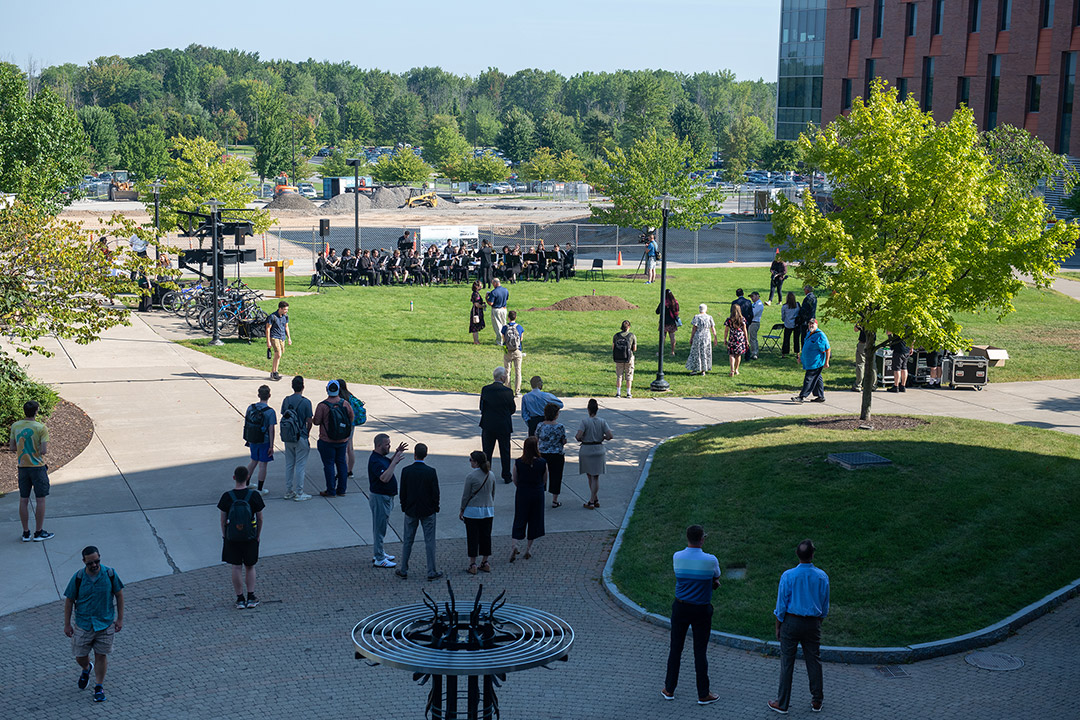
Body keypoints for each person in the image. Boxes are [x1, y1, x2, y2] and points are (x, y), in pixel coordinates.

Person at [660, 524, 721, 706]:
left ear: (687, 538)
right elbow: (716, 576)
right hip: (701, 610)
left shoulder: (677, 556)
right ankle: (703, 693)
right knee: (700, 652)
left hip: (680, 608)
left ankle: (669, 689)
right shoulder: (711, 560)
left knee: (675, 649)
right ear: (702, 539)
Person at [768, 539, 830, 715]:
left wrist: (778, 626)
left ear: (797, 554)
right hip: (813, 623)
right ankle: (817, 700)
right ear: (812, 554)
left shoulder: (788, 576)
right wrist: (818, 622)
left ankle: (782, 702)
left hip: (791, 622)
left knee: (787, 662)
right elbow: (824, 605)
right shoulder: (822, 576)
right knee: (814, 661)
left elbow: (781, 605)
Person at [63, 545, 125, 703]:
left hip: (105, 624)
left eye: (96, 561)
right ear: (84, 561)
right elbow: (69, 600)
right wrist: (67, 624)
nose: (94, 565)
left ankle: (99, 686)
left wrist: (119, 619)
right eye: (90, 563)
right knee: (80, 656)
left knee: (101, 655)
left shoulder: (110, 574)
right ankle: (86, 668)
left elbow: (119, 595)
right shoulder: (78, 577)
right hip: (84, 624)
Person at [218, 466, 264, 609]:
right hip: (250, 536)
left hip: (232, 538)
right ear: (247, 478)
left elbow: (222, 519)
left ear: (234, 478)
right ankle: (251, 597)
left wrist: (225, 536)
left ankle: (239, 599)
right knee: (250, 566)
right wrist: (257, 535)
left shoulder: (227, 496)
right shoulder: (254, 496)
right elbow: (260, 518)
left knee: (236, 567)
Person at [396, 443, 443, 581]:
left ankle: (403, 569)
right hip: (428, 511)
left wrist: (404, 506)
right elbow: (435, 492)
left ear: (414, 454)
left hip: (411, 510)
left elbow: (403, 492)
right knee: (430, 542)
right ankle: (431, 571)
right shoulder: (431, 471)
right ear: (426, 455)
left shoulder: (406, 471)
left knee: (408, 541)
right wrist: (436, 507)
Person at [11, 400, 54, 542]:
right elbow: (44, 450)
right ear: (36, 411)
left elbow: (12, 447)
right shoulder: (41, 428)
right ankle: (38, 532)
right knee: (40, 500)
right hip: (38, 468)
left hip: (22, 467)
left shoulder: (16, 426)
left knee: (23, 499)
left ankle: (25, 532)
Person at [368, 433, 408, 568]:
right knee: (380, 528)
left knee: (382, 526)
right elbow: (384, 478)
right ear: (379, 445)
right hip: (380, 498)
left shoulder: (381, 458)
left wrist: (396, 454)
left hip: (385, 497)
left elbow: (387, 465)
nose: (389, 446)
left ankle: (379, 552)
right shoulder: (375, 461)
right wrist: (395, 463)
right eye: (387, 444)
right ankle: (379, 558)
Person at [509, 436, 548, 562]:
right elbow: (545, 479)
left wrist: (521, 487)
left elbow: (515, 479)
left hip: (522, 492)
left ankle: (515, 545)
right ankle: (528, 549)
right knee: (534, 520)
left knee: (519, 518)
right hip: (537, 492)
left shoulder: (519, 462)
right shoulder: (542, 462)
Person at [312, 380, 354, 497]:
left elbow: (316, 422)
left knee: (329, 465)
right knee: (341, 464)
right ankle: (342, 489)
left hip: (327, 440)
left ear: (327, 389)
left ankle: (331, 490)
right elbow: (351, 417)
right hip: (342, 440)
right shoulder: (345, 403)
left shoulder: (322, 405)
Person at [461, 450, 496, 575]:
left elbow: (466, 496)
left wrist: (462, 509)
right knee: (486, 536)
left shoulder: (471, 477)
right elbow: (493, 493)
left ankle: (473, 564)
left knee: (473, 537)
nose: (470, 462)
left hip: (472, 512)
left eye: (470, 459)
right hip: (488, 510)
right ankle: (485, 562)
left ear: (475, 462)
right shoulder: (491, 475)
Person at [479, 366, 516, 484]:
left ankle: (485, 473)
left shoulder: (485, 389)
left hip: (488, 425)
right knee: (505, 451)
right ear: (502, 377)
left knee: (487, 451)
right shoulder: (508, 392)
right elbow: (512, 409)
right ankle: (506, 475)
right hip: (503, 426)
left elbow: (482, 407)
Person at [281, 375, 313, 501]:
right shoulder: (306, 402)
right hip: (301, 436)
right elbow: (309, 420)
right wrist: (307, 432)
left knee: (289, 464)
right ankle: (299, 492)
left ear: (292, 386)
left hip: (288, 436)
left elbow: (284, 415)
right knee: (300, 465)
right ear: (303, 387)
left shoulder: (286, 400)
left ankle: (288, 491)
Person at [576, 398, 613, 509]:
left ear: (588, 409)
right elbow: (610, 436)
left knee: (589, 476)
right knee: (595, 477)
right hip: (598, 448)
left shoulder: (584, 422)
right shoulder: (602, 421)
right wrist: (603, 437)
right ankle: (595, 498)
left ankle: (591, 501)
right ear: (597, 409)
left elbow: (578, 436)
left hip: (586, 449)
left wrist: (582, 438)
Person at [244, 385, 276, 496]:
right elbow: (271, 429)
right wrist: (271, 446)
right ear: (269, 396)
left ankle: (246, 483)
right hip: (264, 441)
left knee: (253, 461)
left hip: (253, 439)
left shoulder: (251, 408)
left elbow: (247, 423)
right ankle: (260, 488)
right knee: (263, 465)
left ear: (258, 395)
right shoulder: (270, 412)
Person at [791, 318, 830, 404]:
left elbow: (827, 349)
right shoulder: (809, 333)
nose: (811, 325)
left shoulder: (820, 335)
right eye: (810, 324)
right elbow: (806, 347)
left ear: (817, 325)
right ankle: (821, 396)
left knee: (809, 379)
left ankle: (802, 397)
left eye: (813, 324)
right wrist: (800, 357)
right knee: (817, 378)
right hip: (809, 362)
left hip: (816, 363)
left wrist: (826, 362)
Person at [536, 403, 567, 508]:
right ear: (556, 414)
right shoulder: (560, 427)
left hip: (542, 453)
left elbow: (536, 438)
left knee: (540, 476)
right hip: (556, 454)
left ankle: (539, 498)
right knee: (556, 476)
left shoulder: (540, 425)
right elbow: (563, 441)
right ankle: (554, 500)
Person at [337, 379, 363, 477]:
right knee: (350, 447)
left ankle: (344, 470)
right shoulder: (351, 397)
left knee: (343, 449)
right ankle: (350, 471)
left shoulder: (340, 399)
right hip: (351, 425)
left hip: (342, 425)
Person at [685, 303, 717, 376]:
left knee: (696, 352)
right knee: (705, 351)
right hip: (707, 336)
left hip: (698, 335)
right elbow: (713, 328)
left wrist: (691, 337)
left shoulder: (697, 317)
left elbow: (694, 328)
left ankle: (694, 369)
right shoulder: (709, 317)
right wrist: (715, 337)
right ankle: (703, 370)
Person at [265, 301, 291, 382]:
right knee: (278, 354)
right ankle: (274, 372)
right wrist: (268, 341)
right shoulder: (272, 317)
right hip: (274, 337)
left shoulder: (285, 316)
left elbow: (286, 327)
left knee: (278, 355)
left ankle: (275, 371)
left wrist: (289, 338)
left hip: (282, 337)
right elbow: (268, 329)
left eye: (287, 309)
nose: (286, 311)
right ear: (280, 308)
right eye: (285, 309)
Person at [501, 310, 526, 396]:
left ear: (508, 318)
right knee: (518, 371)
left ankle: (508, 389)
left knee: (507, 371)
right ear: (515, 317)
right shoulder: (519, 327)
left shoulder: (505, 328)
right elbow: (521, 339)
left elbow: (503, 339)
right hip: (517, 351)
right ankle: (517, 391)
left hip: (508, 351)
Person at [613, 319, 637, 398]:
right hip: (629, 358)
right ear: (629, 327)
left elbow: (613, 347)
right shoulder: (632, 336)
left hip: (618, 358)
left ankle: (618, 393)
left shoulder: (616, 336)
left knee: (619, 375)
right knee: (629, 375)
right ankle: (628, 393)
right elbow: (634, 348)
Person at [723, 304, 748, 377]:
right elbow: (745, 330)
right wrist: (746, 339)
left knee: (731, 354)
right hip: (740, 337)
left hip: (732, 337)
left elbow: (726, 330)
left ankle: (732, 370)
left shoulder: (729, 319)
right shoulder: (742, 319)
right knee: (738, 354)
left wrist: (725, 338)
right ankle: (737, 369)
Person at [793, 285, 817, 355]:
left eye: (805, 289)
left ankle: (804, 351)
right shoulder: (814, 297)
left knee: (804, 336)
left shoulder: (808, 298)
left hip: (806, 320)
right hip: (812, 319)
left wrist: (800, 316)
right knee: (810, 335)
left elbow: (804, 310)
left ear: (807, 290)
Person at [853, 325, 876, 393]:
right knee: (873, 365)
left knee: (860, 364)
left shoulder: (863, 318)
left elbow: (855, 329)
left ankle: (858, 385)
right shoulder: (876, 318)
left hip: (863, 343)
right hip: (872, 343)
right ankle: (873, 385)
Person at [656, 289, 680, 356]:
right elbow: (677, 311)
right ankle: (672, 352)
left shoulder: (663, 302)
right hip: (672, 322)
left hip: (664, 321)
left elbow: (657, 311)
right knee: (672, 336)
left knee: (663, 337)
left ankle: (660, 352)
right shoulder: (675, 302)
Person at [486, 278, 509, 345]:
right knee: (504, 324)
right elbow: (506, 298)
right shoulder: (505, 290)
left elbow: (491, 303)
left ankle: (499, 341)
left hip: (496, 310)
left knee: (498, 326)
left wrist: (486, 298)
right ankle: (506, 339)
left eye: (493, 283)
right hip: (504, 309)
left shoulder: (494, 292)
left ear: (495, 283)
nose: (493, 285)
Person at [780, 292, 799, 357]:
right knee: (796, 339)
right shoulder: (797, 305)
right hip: (796, 324)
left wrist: (784, 320)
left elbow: (783, 316)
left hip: (788, 324)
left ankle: (784, 353)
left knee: (786, 339)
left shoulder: (785, 306)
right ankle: (797, 353)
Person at [747, 291, 764, 359]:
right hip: (751, 322)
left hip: (754, 322)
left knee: (753, 338)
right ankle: (753, 352)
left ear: (757, 296)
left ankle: (754, 353)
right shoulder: (754, 304)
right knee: (752, 338)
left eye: (752, 296)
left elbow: (753, 313)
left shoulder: (759, 304)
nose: (752, 298)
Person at [469, 280, 486, 344]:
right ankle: (476, 341)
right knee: (475, 326)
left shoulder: (476, 293)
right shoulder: (475, 294)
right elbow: (476, 304)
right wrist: (482, 306)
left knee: (476, 326)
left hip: (477, 311)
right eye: (480, 285)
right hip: (476, 312)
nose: (481, 286)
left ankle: (476, 340)